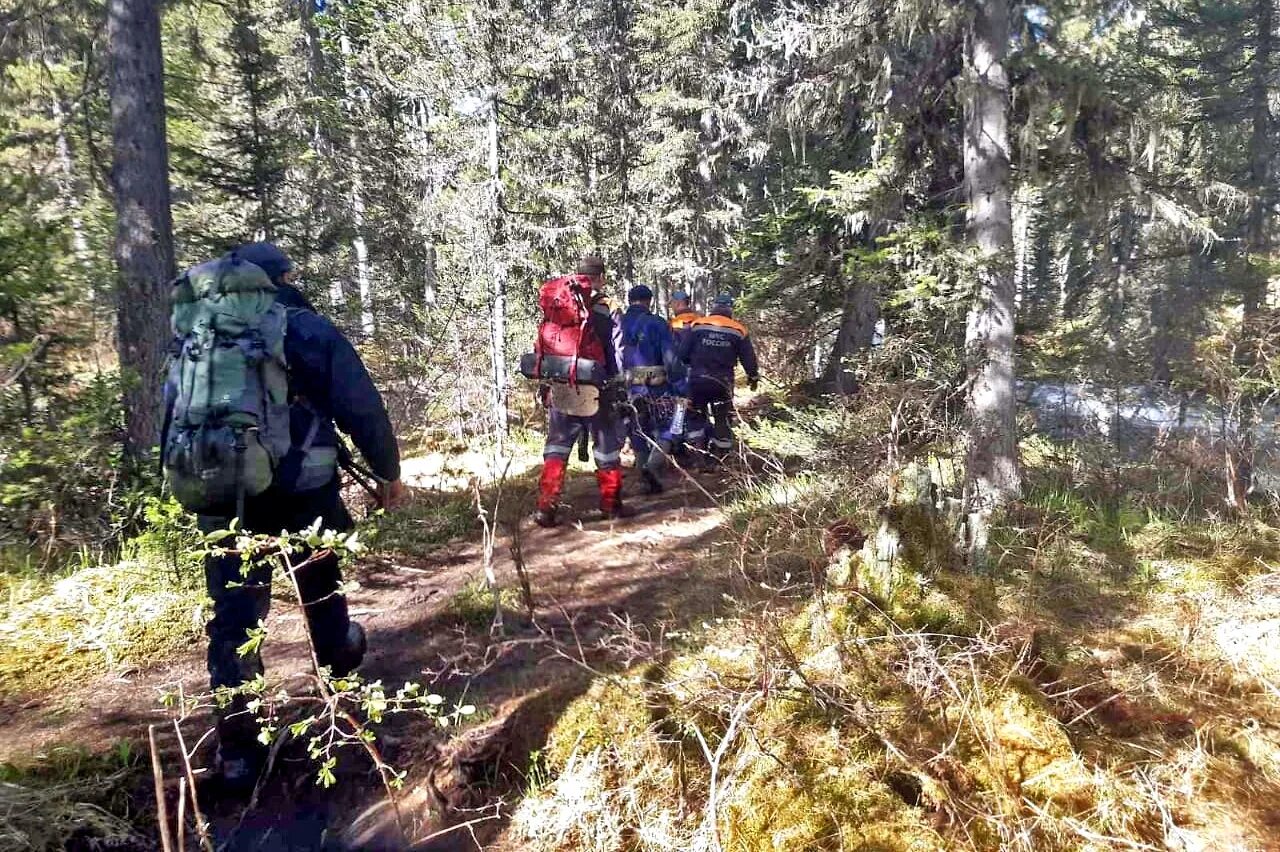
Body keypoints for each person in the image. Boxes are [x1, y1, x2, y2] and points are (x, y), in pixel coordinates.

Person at [177, 241, 406, 793]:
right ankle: (341, 706)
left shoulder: (196, 336)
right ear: (280, 278)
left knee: (234, 621)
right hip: (306, 492)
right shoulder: (307, 329)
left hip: (222, 498)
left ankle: (240, 750)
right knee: (322, 593)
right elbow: (361, 406)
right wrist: (387, 471)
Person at [534, 255, 629, 527]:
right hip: (597, 387)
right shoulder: (608, 307)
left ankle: (546, 506)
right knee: (606, 447)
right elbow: (618, 351)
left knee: (557, 446)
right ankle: (610, 506)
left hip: (561, 383)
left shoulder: (560, 301)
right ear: (602, 277)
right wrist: (619, 385)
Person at [678, 294, 759, 463]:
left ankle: (698, 454)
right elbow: (748, 358)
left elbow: (683, 353)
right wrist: (753, 377)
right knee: (723, 418)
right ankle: (720, 458)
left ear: (714, 306)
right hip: (723, 382)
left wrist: (689, 365)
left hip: (697, 380)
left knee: (695, 415)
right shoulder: (739, 330)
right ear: (730, 309)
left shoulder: (697, 324)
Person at [619, 284, 682, 494]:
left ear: (630, 301)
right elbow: (670, 359)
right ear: (650, 301)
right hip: (656, 386)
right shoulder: (657, 323)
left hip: (627, 387)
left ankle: (643, 472)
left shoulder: (618, 322)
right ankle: (652, 466)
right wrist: (681, 386)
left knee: (636, 429)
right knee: (670, 426)